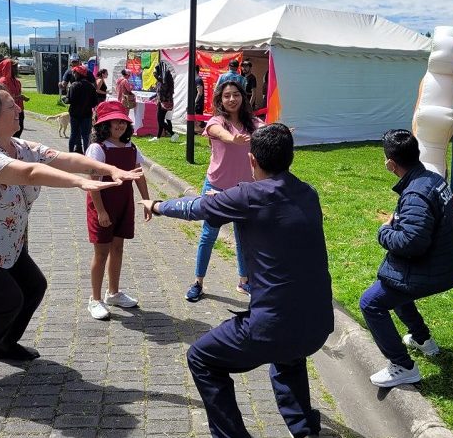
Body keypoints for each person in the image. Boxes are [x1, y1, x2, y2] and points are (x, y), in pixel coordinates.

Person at [0, 84, 142, 392]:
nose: (19, 108)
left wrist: (109, 168)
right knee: (6, 300)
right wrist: (81, 184)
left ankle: (3, 344)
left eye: (16, 104)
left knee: (33, 287)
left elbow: (64, 158)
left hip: (2, 242)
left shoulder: (18, 145)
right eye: (10, 106)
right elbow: (29, 173)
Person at [139, 123, 333, 438]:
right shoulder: (307, 192)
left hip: (272, 326)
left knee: (201, 358)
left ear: (253, 160)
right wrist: (230, 199)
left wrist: (157, 205)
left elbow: (195, 208)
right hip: (318, 323)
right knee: (288, 360)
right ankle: (306, 431)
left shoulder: (247, 196)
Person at [359, 129, 453, 388]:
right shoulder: (432, 178)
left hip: (435, 268)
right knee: (392, 287)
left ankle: (402, 366)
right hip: (446, 263)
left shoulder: (416, 192)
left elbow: (411, 242)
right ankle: (422, 339)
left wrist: (384, 232)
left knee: (371, 302)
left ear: (390, 164)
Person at [185, 80, 263, 302]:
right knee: (208, 236)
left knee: (243, 237)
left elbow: (267, 130)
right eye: (227, 96)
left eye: (236, 95)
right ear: (220, 99)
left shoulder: (253, 123)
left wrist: (281, 130)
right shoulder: (215, 122)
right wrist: (233, 139)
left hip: (244, 190)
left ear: (243, 97)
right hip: (216, 187)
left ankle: (244, 281)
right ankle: (198, 282)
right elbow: (219, 133)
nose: (232, 99)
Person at [83, 101, 151, 320]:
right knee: (101, 252)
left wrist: (147, 200)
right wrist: (101, 211)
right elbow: (93, 181)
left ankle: (113, 292)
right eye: (114, 121)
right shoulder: (98, 148)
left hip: (123, 203)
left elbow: (138, 174)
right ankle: (94, 299)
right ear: (104, 125)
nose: (120, 125)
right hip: (102, 204)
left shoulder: (131, 147)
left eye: (123, 121)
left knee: (118, 248)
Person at [67, 65, 98, 154]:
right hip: (87, 115)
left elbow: (70, 100)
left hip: (75, 114)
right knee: (86, 136)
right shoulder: (91, 86)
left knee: (73, 134)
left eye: (74, 73)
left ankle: (70, 153)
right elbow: (95, 102)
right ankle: (87, 154)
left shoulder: (74, 85)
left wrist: (65, 99)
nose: (73, 74)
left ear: (78, 74)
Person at [0, 58, 29, 138]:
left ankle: (14, 148)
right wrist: (18, 97)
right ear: (9, 68)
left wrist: (21, 97)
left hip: (19, 110)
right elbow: (2, 97)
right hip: (8, 111)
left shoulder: (17, 81)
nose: (17, 69)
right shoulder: (2, 82)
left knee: (19, 129)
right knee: (10, 132)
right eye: (15, 67)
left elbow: (17, 93)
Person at [154, 62, 174, 138]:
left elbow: (162, 90)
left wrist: (157, 77)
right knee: (161, 120)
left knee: (160, 120)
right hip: (163, 101)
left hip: (164, 102)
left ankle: (173, 134)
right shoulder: (164, 78)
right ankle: (158, 137)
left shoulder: (164, 79)